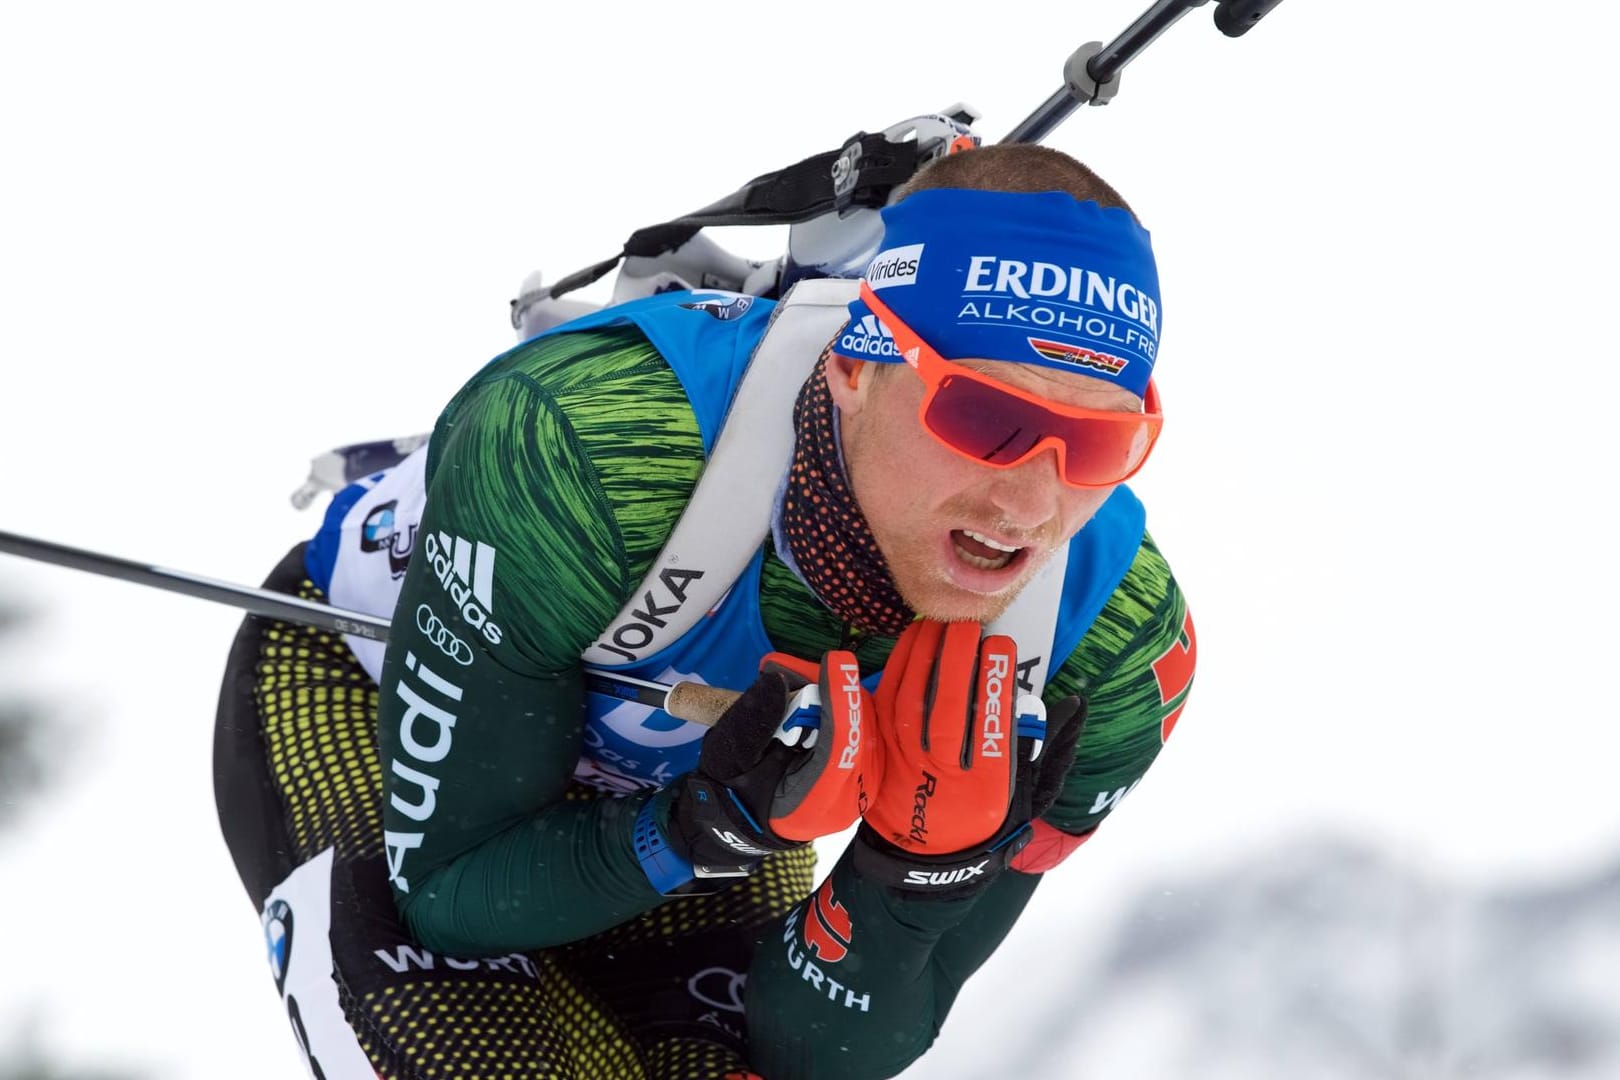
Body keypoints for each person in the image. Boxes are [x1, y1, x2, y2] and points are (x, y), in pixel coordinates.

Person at [213, 140, 1197, 1080]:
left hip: (703, 807)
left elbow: (829, 1053)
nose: (1031, 506)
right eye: (985, 416)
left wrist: (912, 879)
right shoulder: (588, 444)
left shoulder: (1115, 649)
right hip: (365, 695)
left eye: (1100, 445)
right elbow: (451, 897)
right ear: (859, 367)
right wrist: (701, 823)